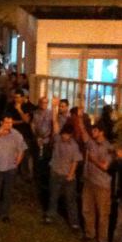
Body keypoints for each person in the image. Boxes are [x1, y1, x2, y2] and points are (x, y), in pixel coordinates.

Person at [44, 98, 82, 229]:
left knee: (70, 200)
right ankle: (50, 215)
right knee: (53, 196)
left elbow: (75, 161)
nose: (65, 136)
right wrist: (54, 107)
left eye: (67, 135)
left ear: (70, 135)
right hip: (56, 171)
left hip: (67, 175)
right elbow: (55, 123)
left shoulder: (74, 146)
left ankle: (74, 222)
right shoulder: (57, 139)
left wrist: (71, 174)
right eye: (64, 134)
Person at [78, 116, 114, 242]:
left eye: (95, 130)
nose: (92, 132)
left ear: (101, 132)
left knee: (103, 213)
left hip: (102, 185)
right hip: (89, 181)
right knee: (87, 209)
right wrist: (80, 119)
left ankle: (102, 240)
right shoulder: (91, 143)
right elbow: (83, 133)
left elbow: (105, 166)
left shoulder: (109, 148)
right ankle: (89, 233)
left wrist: (93, 161)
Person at [0, 115, 26, 224]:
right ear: (1, 122)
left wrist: (18, 161)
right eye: (6, 123)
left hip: (10, 168)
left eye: (10, 123)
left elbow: (21, 149)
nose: (9, 125)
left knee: (7, 192)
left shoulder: (16, 134)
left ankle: (5, 214)